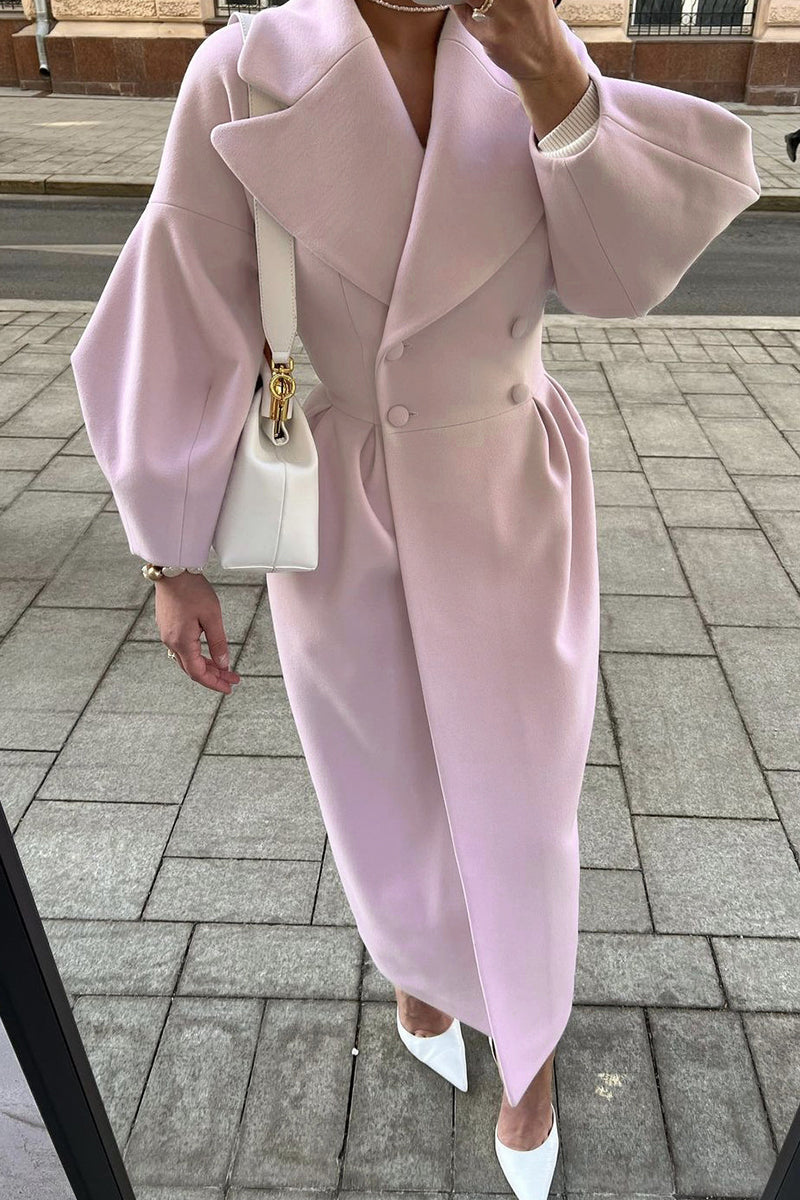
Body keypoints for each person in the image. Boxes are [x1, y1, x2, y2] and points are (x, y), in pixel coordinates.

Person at [69, 0, 761, 1195]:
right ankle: (419, 970)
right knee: (378, 781)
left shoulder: (526, 43)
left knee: (522, 802)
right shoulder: (247, 68)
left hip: (503, 481)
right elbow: (181, 295)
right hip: (344, 499)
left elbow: (616, 280)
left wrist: (553, 74)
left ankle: (528, 1058)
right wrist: (168, 556)